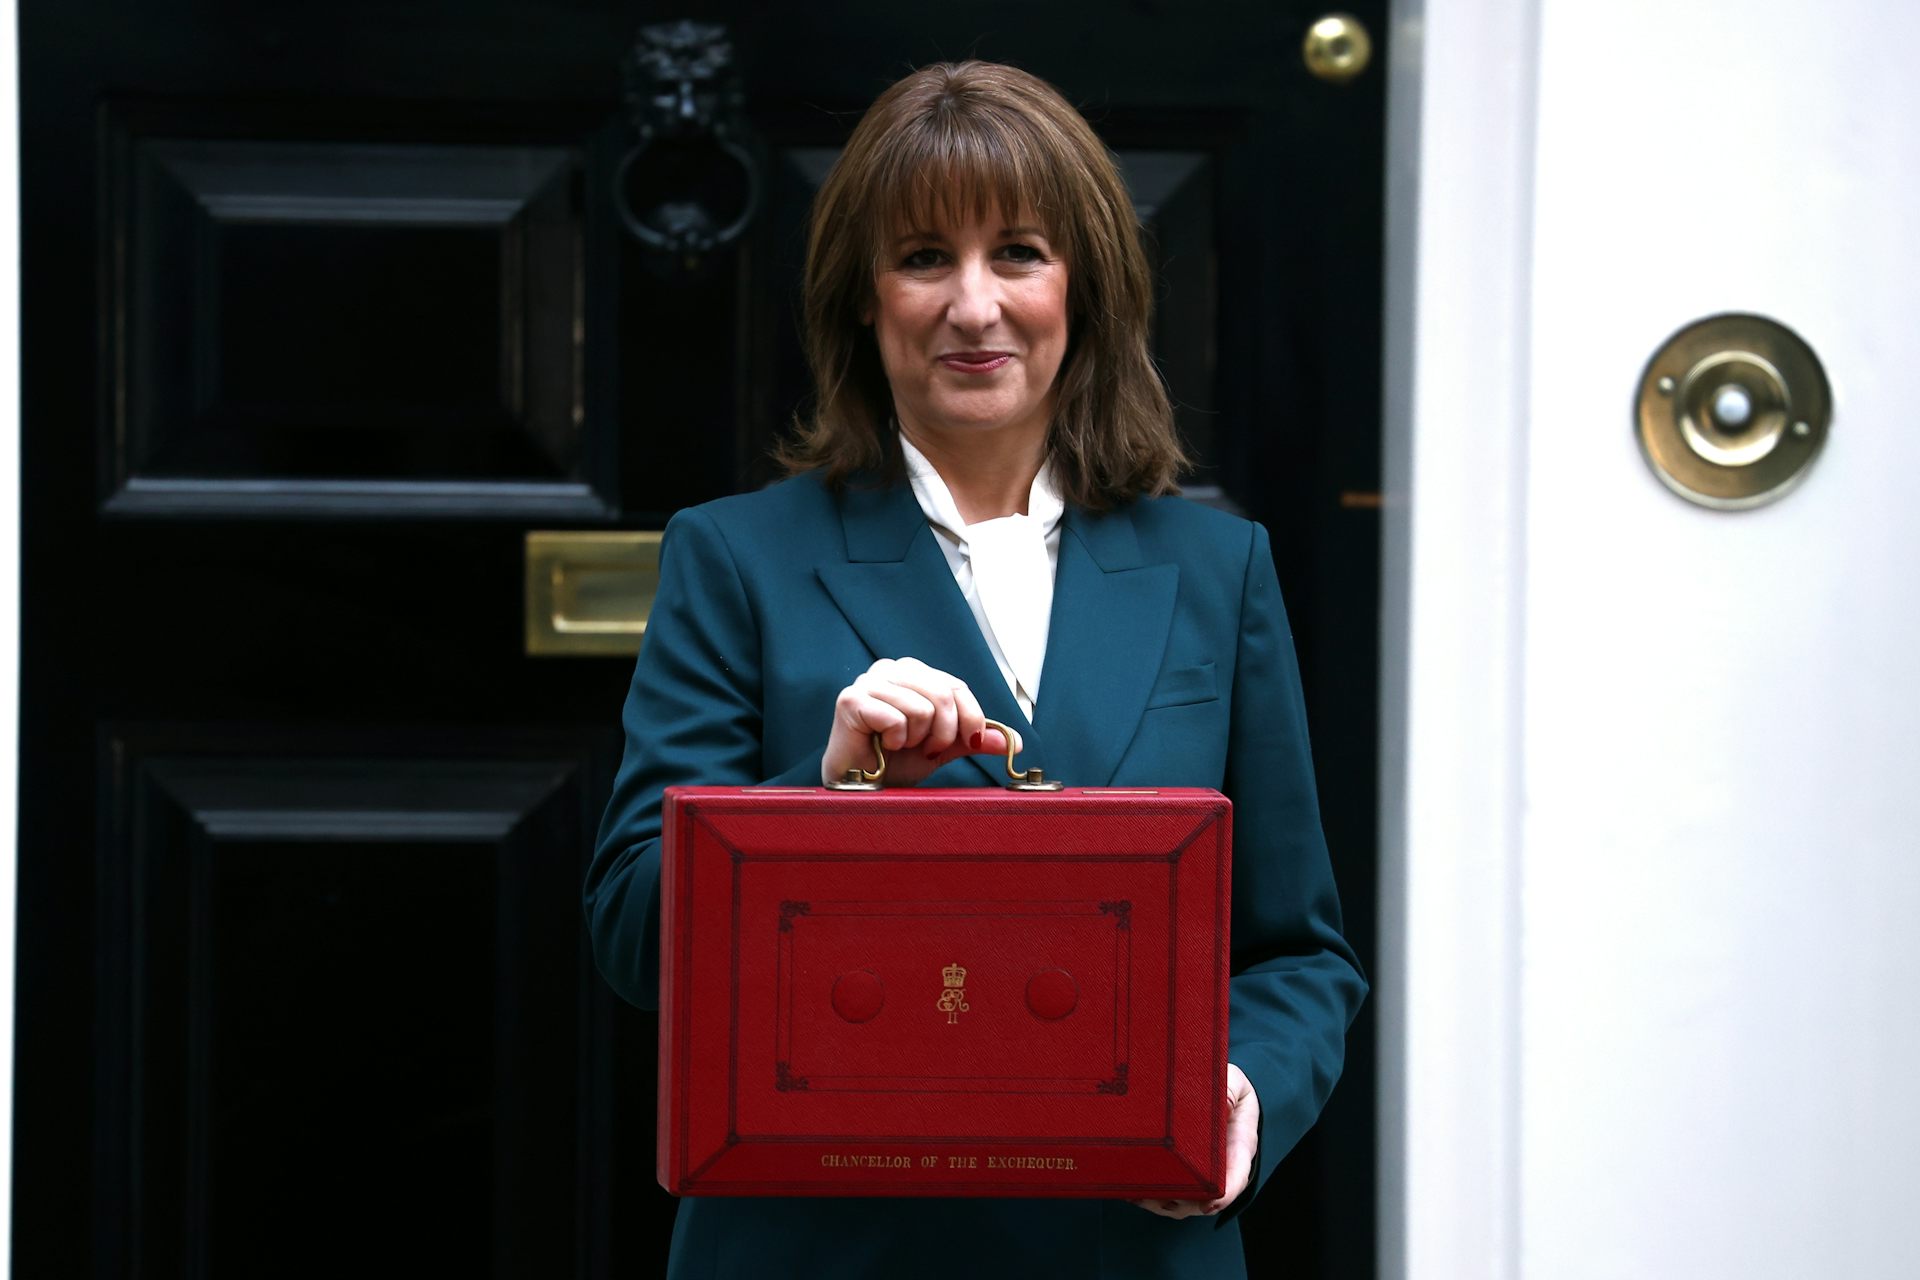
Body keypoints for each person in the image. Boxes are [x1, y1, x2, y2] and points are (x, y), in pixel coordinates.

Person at [585, 59, 1366, 1279]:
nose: (973, 305)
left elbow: (1299, 950)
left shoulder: (1219, 568)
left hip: (1122, 1249)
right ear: (861, 298)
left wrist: (1239, 1096)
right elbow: (633, 938)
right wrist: (825, 794)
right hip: (817, 1249)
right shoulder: (732, 556)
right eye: (921, 258)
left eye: (1018, 252)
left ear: (1085, 288)